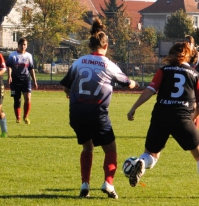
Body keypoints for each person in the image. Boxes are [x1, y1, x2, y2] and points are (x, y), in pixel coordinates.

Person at [60, 18, 139, 199]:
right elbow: (127, 83)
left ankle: (85, 185)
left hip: (77, 113)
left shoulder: (79, 62)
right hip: (97, 113)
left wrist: (70, 93)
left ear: (90, 45)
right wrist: (134, 83)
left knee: (88, 147)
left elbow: (66, 86)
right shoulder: (108, 64)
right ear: (106, 45)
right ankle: (108, 185)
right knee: (111, 149)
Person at [127, 42, 199, 188]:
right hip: (182, 117)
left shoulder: (164, 71)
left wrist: (134, 107)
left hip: (161, 116)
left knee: (151, 153)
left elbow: (149, 90)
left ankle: (141, 162)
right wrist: (193, 116)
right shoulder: (195, 74)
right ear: (187, 55)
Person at [6, 38, 38, 124]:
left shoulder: (29, 56)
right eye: (22, 44)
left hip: (26, 80)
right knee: (17, 99)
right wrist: (9, 76)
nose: (23, 46)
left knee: (27, 98)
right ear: (18, 45)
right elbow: (9, 66)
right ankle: (18, 118)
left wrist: (34, 81)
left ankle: (26, 116)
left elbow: (31, 69)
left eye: (25, 45)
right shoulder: (13, 55)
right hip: (15, 80)